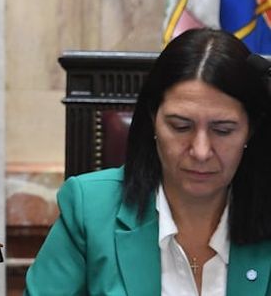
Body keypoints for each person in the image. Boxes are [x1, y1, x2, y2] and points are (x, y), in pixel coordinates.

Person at [25, 28, 271, 295]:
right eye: (180, 126)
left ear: (251, 129)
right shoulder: (90, 209)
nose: (201, 151)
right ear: (153, 118)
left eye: (222, 130)